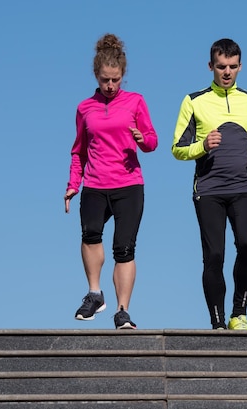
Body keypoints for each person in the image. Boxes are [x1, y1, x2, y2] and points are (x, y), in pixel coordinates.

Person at [171, 38, 247, 330]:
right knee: (214, 254)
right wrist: (202, 145)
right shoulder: (193, 101)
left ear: (240, 66)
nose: (226, 72)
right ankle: (217, 322)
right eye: (221, 67)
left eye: (232, 67)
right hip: (209, 190)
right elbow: (178, 148)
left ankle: (238, 313)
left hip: (244, 187)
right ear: (210, 67)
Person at [64, 33, 158, 329]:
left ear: (122, 76)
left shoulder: (135, 101)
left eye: (115, 80)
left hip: (128, 184)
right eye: (105, 80)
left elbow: (153, 140)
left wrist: (143, 140)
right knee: (90, 234)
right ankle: (94, 293)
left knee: (124, 248)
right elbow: (78, 150)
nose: (110, 86)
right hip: (94, 184)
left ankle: (122, 311)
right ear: (96, 75)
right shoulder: (85, 108)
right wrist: (72, 184)